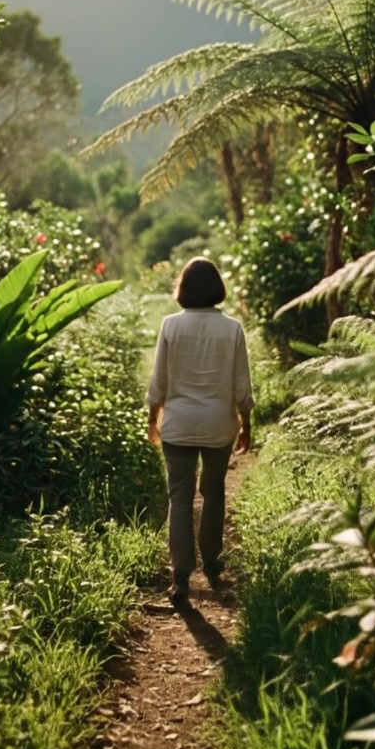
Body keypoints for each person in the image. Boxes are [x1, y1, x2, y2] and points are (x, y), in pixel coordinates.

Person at [146, 256, 255, 608]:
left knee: (179, 497)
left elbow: (159, 379)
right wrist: (246, 421)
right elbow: (241, 382)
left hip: (177, 424)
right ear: (217, 289)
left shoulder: (170, 326)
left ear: (183, 288)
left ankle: (180, 578)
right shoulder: (232, 328)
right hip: (218, 425)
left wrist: (153, 417)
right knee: (213, 491)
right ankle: (211, 563)